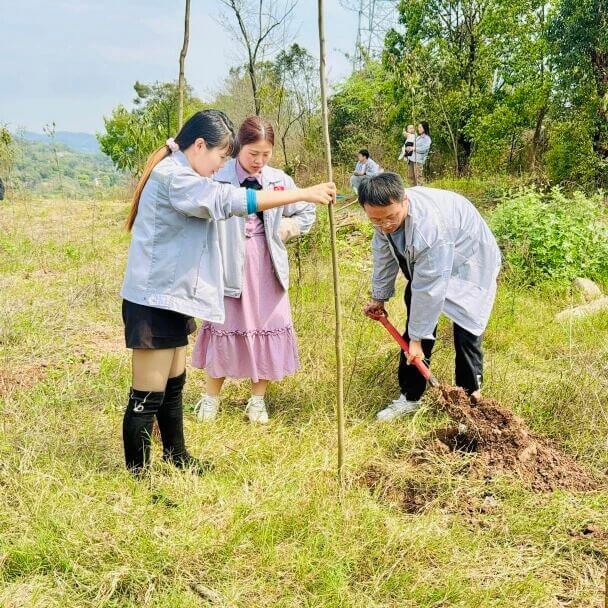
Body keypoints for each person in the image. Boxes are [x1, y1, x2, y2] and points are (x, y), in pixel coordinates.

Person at [120, 109, 335, 475]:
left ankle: (177, 457)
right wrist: (303, 194)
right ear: (199, 145)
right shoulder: (175, 178)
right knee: (147, 394)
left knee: (173, 385)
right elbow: (227, 201)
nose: (221, 166)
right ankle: (139, 475)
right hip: (153, 301)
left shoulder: (185, 172)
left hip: (173, 297)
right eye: (221, 156)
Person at [192, 116, 315, 424]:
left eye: (266, 154)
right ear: (238, 147)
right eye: (253, 154)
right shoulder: (219, 177)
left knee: (267, 326)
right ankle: (211, 398)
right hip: (228, 265)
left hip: (267, 265)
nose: (259, 161)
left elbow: (306, 209)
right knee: (223, 326)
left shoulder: (279, 180)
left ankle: (257, 400)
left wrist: (289, 227)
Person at [359, 173, 501, 421]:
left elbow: (430, 288)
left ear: (404, 201)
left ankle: (469, 403)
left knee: (467, 331)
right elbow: (384, 257)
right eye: (376, 220)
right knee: (414, 321)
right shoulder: (383, 219)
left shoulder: (429, 228)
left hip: (469, 260)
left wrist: (417, 339)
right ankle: (410, 397)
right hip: (433, 262)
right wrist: (379, 298)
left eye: (390, 217)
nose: (385, 225)